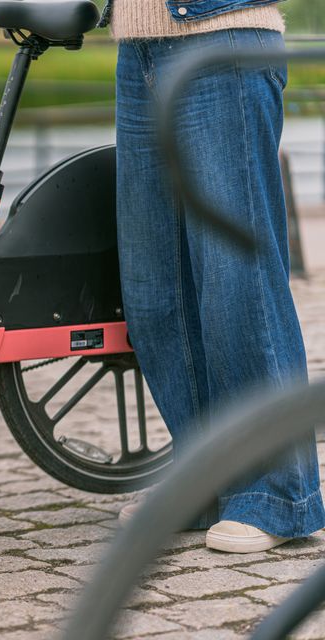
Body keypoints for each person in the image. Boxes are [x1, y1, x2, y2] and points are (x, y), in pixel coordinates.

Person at [111, 0, 325, 552]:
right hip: (139, 49)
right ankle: (204, 482)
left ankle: (279, 496)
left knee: (238, 281)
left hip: (224, 36)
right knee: (157, 288)